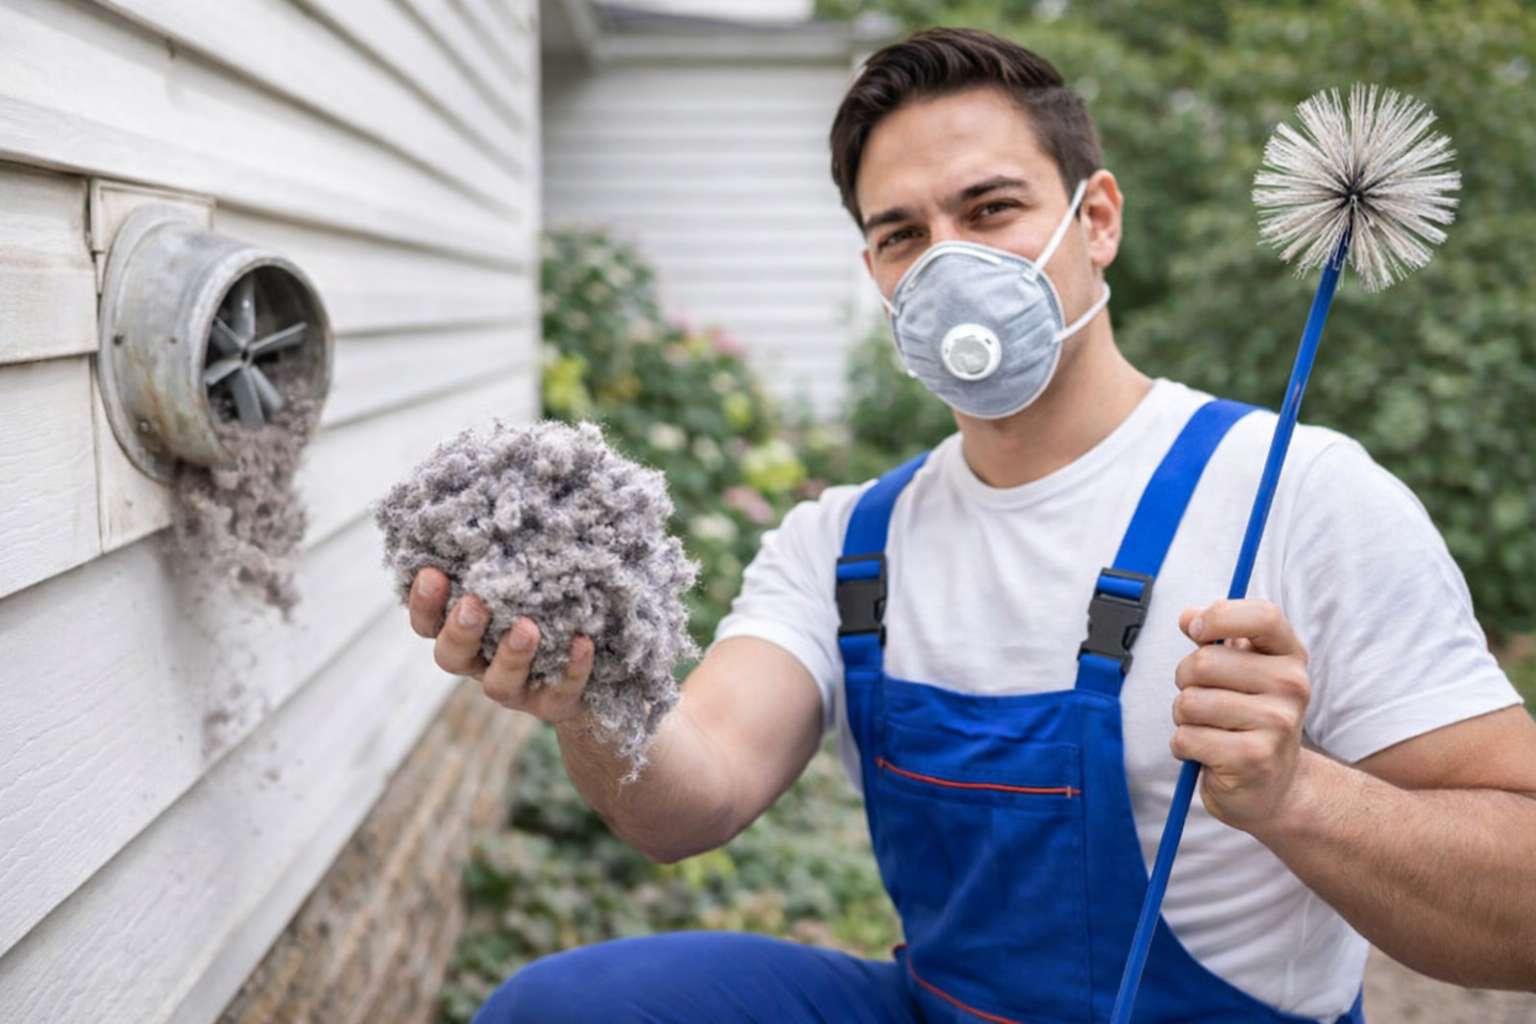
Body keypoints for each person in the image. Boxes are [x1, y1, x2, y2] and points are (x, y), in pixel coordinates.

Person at [408, 27, 1536, 1024]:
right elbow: (688, 799)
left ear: (1097, 219)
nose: (950, 257)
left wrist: (1299, 795)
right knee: (567, 1008)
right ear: (876, 272)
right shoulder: (847, 546)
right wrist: (591, 697)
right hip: (941, 1009)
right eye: (904, 234)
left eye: (991, 209)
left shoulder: (1296, 497)